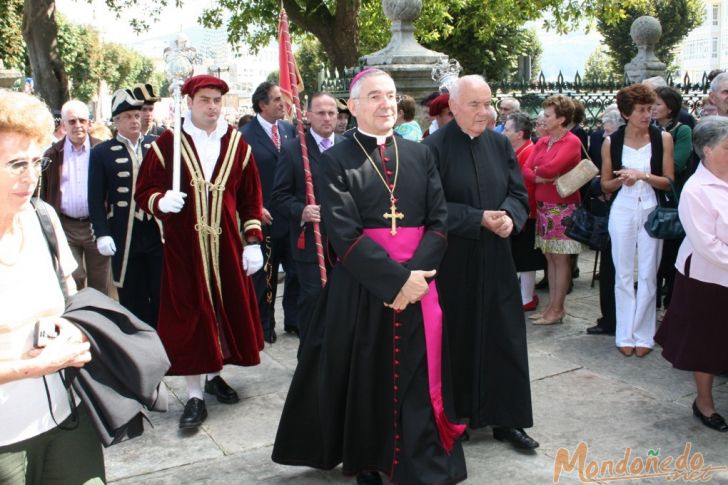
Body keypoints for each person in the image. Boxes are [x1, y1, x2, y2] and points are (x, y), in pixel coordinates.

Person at [272, 68, 467, 485]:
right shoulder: (334, 160)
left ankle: (419, 459)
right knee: (366, 374)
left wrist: (416, 277)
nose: (386, 104)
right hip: (363, 287)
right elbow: (343, 233)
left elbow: (439, 222)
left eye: (391, 96)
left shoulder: (420, 154)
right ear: (354, 106)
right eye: (375, 96)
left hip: (420, 283)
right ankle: (369, 460)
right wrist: (396, 282)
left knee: (417, 375)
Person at [135, 74, 266, 429]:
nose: (212, 107)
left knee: (222, 313)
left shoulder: (237, 144)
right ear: (189, 102)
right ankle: (194, 393)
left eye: (217, 100)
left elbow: (252, 199)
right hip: (184, 249)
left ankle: (212, 376)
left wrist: (253, 241)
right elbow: (143, 191)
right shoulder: (168, 142)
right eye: (205, 100)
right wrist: (161, 200)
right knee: (191, 316)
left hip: (226, 246)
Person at [423, 75, 538, 451]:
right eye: (475, 105)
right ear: (453, 107)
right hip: (454, 261)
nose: (484, 112)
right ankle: (458, 418)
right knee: (458, 337)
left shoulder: (500, 144)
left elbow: (518, 193)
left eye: (488, 104)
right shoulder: (432, 148)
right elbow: (430, 208)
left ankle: (508, 419)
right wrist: (476, 218)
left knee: (503, 336)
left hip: (497, 257)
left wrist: (509, 215)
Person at [0, 89, 105, 484]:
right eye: (15, 164)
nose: (30, 177)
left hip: (68, 419)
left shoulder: (42, 218)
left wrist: (72, 332)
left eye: (36, 162)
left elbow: (68, 303)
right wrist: (31, 367)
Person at [655, 117, 728, 432]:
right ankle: (704, 402)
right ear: (708, 151)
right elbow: (707, 245)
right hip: (706, 279)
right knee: (706, 343)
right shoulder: (696, 190)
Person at [600, 84, 674, 357]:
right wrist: (622, 179)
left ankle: (644, 334)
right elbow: (605, 185)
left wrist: (641, 176)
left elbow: (668, 182)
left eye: (649, 109)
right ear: (626, 113)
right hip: (622, 210)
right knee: (622, 272)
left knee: (648, 273)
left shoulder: (662, 138)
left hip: (651, 209)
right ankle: (624, 333)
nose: (647, 115)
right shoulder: (612, 142)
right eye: (641, 110)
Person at [270, 92, 344, 346]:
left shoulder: (348, 146)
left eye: (332, 113)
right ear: (308, 116)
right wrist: (301, 210)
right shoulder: (294, 150)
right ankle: (311, 361)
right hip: (311, 244)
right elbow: (279, 196)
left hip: (345, 243)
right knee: (314, 300)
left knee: (341, 301)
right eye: (321, 113)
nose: (327, 118)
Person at [88, 88, 162, 327]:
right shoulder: (102, 152)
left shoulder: (156, 145)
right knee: (132, 294)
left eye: (137, 115)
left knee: (161, 291)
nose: (134, 120)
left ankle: (164, 347)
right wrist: (102, 233)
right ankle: (140, 346)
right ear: (116, 121)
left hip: (155, 229)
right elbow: (95, 198)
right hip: (124, 232)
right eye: (128, 116)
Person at [241, 81, 299, 343]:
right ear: (262, 104)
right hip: (262, 218)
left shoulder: (288, 130)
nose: (282, 104)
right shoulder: (244, 136)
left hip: (289, 215)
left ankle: (294, 319)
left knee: (296, 272)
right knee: (266, 276)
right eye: (276, 100)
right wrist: (255, 207)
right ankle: (265, 324)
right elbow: (240, 180)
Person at [522, 95, 583, 325]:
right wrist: (541, 174)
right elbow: (528, 170)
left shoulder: (571, 142)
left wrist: (540, 173)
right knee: (550, 256)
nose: (543, 119)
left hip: (562, 207)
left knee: (560, 258)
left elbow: (549, 169)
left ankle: (557, 308)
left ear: (562, 119)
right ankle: (551, 308)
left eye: (548, 115)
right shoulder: (542, 141)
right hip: (544, 206)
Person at [41, 99, 110, 294]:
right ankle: (77, 321)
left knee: (100, 282)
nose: (77, 126)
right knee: (73, 279)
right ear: (63, 125)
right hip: (66, 227)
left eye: (82, 120)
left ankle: (99, 321)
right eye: (71, 121)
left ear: (89, 123)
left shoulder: (102, 151)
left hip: (97, 226)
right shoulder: (52, 155)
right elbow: (45, 192)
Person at [652, 86, 694, 309]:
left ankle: (670, 304)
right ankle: (652, 301)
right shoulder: (648, 129)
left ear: (670, 107)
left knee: (670, 256)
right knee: (652, 259)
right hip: (651, 198)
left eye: (657, 104)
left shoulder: (683, 131)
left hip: (671, 201)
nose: (653, 108)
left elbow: (676, 165)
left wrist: (646, 171)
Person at [585, 108, 624, 337]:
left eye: (607, 127)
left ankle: (612, 320)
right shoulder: (608, 141)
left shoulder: (617, 144)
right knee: (611, 267)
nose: (603, 131)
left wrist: (602, 185)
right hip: (608, 206)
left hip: (618, 209)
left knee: (615, 268)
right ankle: (610, 318)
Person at [503, 112, 545, 311]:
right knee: (520, 255)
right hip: (520, 209)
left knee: (527, 257)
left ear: (519, 134)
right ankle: (524, 294)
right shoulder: (517, 149)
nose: (504, 132)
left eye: (508, 129)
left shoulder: (529, 151)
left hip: (528, 211)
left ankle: (526, 297)